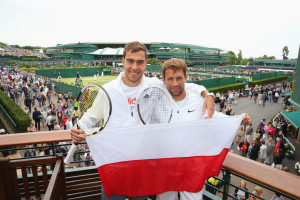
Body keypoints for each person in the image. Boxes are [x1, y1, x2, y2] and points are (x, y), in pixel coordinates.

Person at [70, 41, 216, 200]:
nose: (135, 67)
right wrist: (77, 131)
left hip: (141, 169)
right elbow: (88, 120)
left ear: (146, 64)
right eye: (130, 61)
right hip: (114, 168)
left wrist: (207, 94)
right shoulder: (107, 90)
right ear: (123, 61)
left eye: (140, 62)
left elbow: (181, 85)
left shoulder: (154, 85)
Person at [154, 58, 250, 200]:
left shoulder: (198, 101)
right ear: (163, 80)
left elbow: (215, 118)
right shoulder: (157, 101)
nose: (175, 83)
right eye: (170, 79)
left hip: (192, 169)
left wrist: (239, 120)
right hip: (166, 169)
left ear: (186, 78)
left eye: (179, 78)